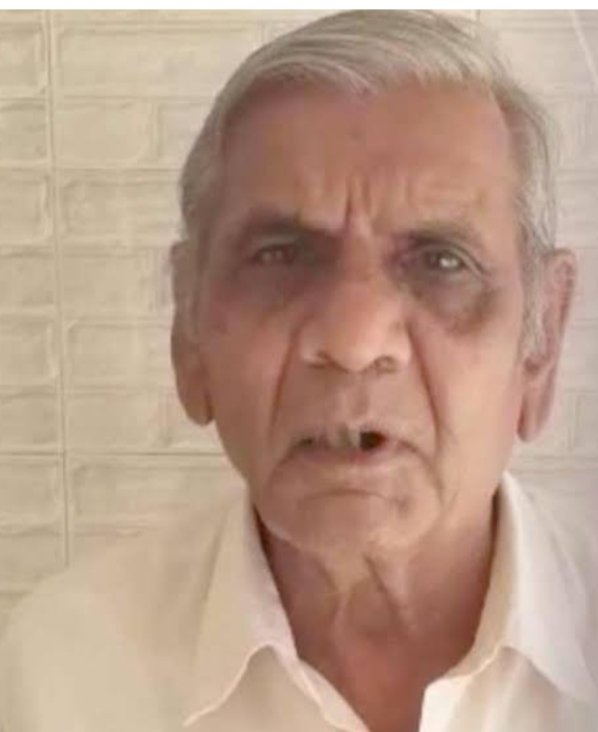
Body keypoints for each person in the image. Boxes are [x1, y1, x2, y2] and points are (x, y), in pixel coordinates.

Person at [1, 10, 596, 732]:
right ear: (190, 327)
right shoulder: (60, 671)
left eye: (442, 262)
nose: (353, 340)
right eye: (280, 256)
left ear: (541, 341)